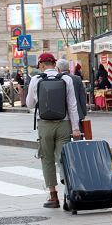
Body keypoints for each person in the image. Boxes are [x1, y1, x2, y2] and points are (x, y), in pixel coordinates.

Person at [26, 53, 81, 209]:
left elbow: (29, 104)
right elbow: (72, 105)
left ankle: (53, 196)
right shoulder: (66, 79)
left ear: (42, 65)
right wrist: (76, 128)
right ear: (54, 64)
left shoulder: (36, 80)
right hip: (64, 124)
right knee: (63, 159)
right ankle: (69, 194)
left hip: (44, 125)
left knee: (47, 159)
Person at [56, 59, 87, 128]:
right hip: (78, 113)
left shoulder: (57, 79)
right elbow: (82, 97)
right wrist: (83, 112)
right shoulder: (77, 79)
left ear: (58, 69)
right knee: (78, 137)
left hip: (62, 116)